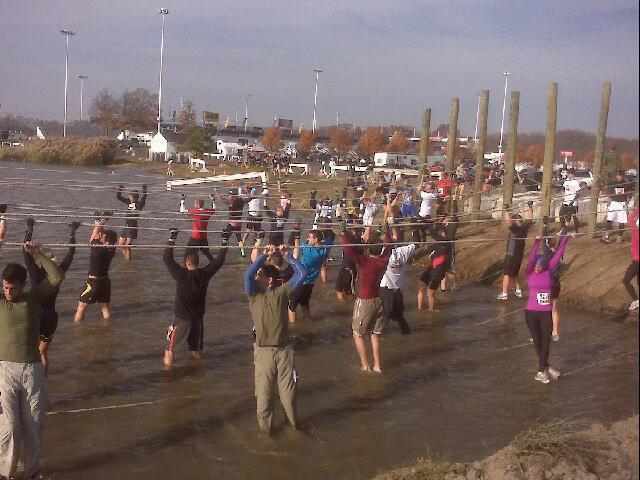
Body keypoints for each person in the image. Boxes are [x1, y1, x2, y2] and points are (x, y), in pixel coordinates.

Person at [1, 241, 64, 480]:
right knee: (9, 427)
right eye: (5, 288)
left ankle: (32, 473)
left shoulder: (34, 298)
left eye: (13, 288)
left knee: (34, 425)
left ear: (23, 285)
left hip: (32, 370)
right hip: (4, 371)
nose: (9, 293)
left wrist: (37, 254)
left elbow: (56, 276)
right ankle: (5, 473)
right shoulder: (1, 301)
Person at [246, 244, 307, 436]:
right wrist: (263, 256)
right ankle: (268, 434)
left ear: (269, 280)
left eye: (260, 276)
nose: (256, 278)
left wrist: (288, 255)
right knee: (264, 400)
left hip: (284, 352)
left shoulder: (282, 292)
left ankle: (294, 428)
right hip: (263, 353)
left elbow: (302, 273)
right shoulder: (253, 296)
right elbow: (247, 275)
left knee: (289, 397)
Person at [163, 227, 228, 366]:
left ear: (187, 263)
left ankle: (168, 376)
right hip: (197, 319)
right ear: (197, 263)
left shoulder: (181, 275)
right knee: (195, 350)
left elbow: (167, 259)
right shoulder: (205, 274)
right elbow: (219, 261)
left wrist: (172, 239)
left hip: (182, 319)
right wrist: (225, 241)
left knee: (170, 350)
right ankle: (201, 371)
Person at [23, 218, 80, 374]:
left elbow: (25, 251)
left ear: (40, 262)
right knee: (42, 353)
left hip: (36, 315)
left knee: (29, 350)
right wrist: (72, 231)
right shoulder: (59, 272)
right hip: (51, 317)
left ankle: (29, 379)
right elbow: (71, 253)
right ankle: (43, 379)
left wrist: (29, 228)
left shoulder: (35, 274)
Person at [340, 222, 392, 371]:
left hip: (365, 302)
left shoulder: (365, 261)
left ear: (369, 249)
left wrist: (344, 233)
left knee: (357, 334)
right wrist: (386, 232)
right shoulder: (383, 261)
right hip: (378, 301)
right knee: (374, 334)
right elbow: (389, 246)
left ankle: (365, 366)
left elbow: (349, 251)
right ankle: (377, 365)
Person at [524, 233, 571, 384]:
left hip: (545, 313)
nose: (537, 268)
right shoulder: (529, 272)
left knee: (546, 341)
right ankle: (546, 367)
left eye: (539, 266)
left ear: (543, 265)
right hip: (531, 313)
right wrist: (537, 242)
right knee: (538, 341)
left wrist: (566, 238)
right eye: (535, 266)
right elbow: (532, 257)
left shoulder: (548, 271)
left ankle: (541, 371)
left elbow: (558, 254)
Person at [74, 215, 118, 323]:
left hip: (93, 283)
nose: (101, 236)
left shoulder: (97, 250)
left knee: (81, 308)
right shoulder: (112, 248)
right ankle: (107, 328)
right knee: (105, 309)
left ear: (105, 240)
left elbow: (94, 236)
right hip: (105, 283)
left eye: (102, 237)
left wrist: (101, 222)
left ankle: (78, 328)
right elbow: (99, 235)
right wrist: (101, 222)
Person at [289, 229, 333, 323]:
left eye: (309, 237)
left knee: (292, 306)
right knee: (305, 305)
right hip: (310, 283)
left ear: (316, 239)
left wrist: (296, 233)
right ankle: (308, 322)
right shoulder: (325, 249)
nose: (307, 239)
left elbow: (294, 243)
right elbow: (331, 236)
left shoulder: (308, 249)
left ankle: (293, 326)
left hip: (300, 282)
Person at [379, 224, 415, 334]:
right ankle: (407, 335)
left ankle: (377, 337)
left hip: (386, 290)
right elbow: (414, 244)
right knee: (399, 317)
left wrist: (383, 233)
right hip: (397, 291)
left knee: (384, 316)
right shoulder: (404, 251)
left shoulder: (383, 253)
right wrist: (393, 225)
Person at [497, 204, 534, 300]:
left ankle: (504, 294)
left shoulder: (515, 229)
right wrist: (530, 207)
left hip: (511, 255)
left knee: (507, 274)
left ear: (516, 222)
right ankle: (518, 291)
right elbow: (530, 217)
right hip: (519, 255)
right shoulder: (525, 227)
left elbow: (508, 222)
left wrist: (506, 211)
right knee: (515, 273)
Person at [417, 223, 452, 311]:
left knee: (430, 294)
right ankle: (419, 310)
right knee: (420, 288)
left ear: (441, 232)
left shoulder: (447, 241)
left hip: (438, 273)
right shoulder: (439, 243)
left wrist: (429, 224)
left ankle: (431, 313)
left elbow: (433, 234)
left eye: (437, 232)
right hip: (431, 269)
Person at [180, 194, 216, 262]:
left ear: (197, 205)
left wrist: (182, 200)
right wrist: (213, 201)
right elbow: (214, 209)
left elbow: (182, 211)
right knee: (207, 253)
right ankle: (214, 263)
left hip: (195, 237)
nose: (194, 206)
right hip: (204, 237)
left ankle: (187, 265)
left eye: (195, 204)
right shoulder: (208, 211)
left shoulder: (196, 212)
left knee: (188, 253)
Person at [116, 183, 147, 261]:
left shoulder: (139, 204)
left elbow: (144, 198)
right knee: (120, 245)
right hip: (126, 226)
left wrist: (144, 190)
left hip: (133, 226)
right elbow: (118, 197)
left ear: (135, 198)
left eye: (131, 197)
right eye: (130, 197)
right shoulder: (129, 202)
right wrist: (120, 189)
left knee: (128, 245)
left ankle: (128, 260)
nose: (130, 199)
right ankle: (127, 257)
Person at [601, 170, 634, 243]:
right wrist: (609, 202)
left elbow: (630, 193)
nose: (618, 177)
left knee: (621, 221)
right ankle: (606, 236)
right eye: (617, 175)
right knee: (609, 219)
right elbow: (611, 194)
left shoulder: (626, 184)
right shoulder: (613, 184)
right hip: (614, 203)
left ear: (622, 176)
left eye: (620, 176)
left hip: (622, 203)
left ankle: (620, 237)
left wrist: (628, 200)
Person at [220, 190, 250, 256]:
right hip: (239, 223)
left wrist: (217, 191)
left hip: (232, 223)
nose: (229, 196)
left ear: (232, 195)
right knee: (239, 238)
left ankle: (224, 250)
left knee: (224, 235)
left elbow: (221, 199)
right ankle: (243, 252)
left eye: (230, 195)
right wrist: (248, 191)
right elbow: (249, 199)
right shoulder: (241, 201)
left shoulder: (231, 202)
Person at [335, 224, 361, 302]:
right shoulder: (351, 238)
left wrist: (357, 274)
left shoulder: (354, 241)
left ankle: (352, 303)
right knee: (338, 289)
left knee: (349, 292)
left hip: (350, 271)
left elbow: (357, 262)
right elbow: (343, 234)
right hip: (344, 268)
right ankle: (345, 304)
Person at [623, 207, 639, 311]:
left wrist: (638, 209)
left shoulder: (636, 232)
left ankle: (636, 300)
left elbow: (630, 219)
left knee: (626, 281)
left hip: (637, 262)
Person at [440, 215, 460, 291]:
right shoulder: (443, 227)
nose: (443, 221)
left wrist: (452, 218)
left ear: (448, 219)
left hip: (449, 250)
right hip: (443, 250)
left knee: (448, 270)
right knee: (443, 269)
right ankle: (443, 289)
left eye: (444, 219)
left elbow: (456, 221)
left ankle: (456, 285)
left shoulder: (452, 226)